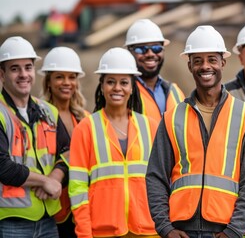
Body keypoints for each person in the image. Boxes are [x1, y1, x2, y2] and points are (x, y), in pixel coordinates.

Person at [145, 25, 245, 238]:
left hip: (225, 230)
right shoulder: (172, 118)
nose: (205, 66)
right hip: (181, 230)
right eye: (197, 60)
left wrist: (235, 230)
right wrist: (165, 228)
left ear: (222, 63)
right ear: (189, 65)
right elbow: (155, 176)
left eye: (211, 59)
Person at [68, 47, 159, 238]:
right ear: (102, 86)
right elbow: (78, 188)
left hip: (148, 230)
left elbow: (162, 182)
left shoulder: (150, 127)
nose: (117, 88)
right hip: (103, 231)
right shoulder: (86, 128)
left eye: (124, 82)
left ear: (132, 87)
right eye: (111, 82)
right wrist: (84, 233)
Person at [0, 36, 69, 237]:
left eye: (28, 67)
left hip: (48, 220)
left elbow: (69, 152)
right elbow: (2, 166)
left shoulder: (48, 111)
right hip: (11, 223)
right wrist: (43, 181)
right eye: (15, 69)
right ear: (2, 74)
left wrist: (55, 178)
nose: (23, 74)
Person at [39, 46, 88, 238]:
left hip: (80, 208)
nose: (66, 83)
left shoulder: (85, 118)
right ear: (48, 82)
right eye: (59, 77)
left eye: (72, 77)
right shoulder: (40, 117)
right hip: (53, 208)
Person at [125, 19, 185, 121]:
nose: (150, 54)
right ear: (129, 52)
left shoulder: (176, 92)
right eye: (141, 49)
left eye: (156, 48)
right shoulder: (123, 93)